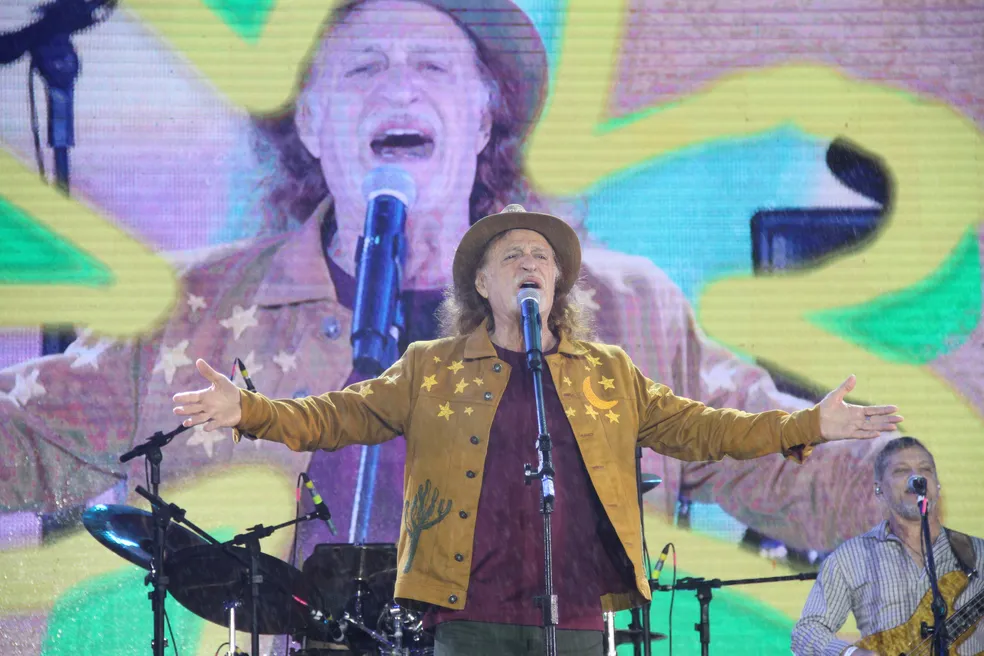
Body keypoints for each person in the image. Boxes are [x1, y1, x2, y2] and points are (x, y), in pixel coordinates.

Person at [0, 0, 888, 560]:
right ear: (310, 121)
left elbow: (787, 463)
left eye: (430, 64)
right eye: (363, 66)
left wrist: (906, 482)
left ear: (482, 115)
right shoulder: (190, 315)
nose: (398, 88)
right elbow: (28, 436)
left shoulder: (622, 310)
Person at [173, 203, 903, 654]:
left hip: (577, 617)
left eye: (542, 257)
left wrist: (810, 423)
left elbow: (708, 429)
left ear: (556, 285)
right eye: (512, 256)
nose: (530, 262)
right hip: (468, 616)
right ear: (482, 284)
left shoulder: (608, 373)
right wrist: (251, 410)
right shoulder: (431, 367)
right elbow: (336, 415)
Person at [791, 436, 984, 656]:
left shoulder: (978, 552)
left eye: (925, 470)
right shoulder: (852, 556)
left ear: (937, 485)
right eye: (901, 471)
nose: (917, 478)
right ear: (879, 488)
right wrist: (852, 653)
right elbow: (806, 632)